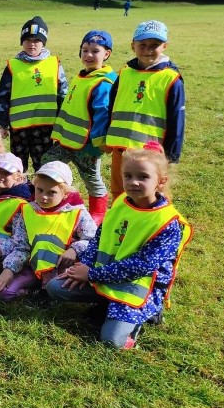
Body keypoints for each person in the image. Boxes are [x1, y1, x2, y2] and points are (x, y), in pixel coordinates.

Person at [47, 144, 192, 350]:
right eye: (128, 176)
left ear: (161, 181)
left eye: (143, 177)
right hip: (103, 276)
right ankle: (106, 303)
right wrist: (83, 267)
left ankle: (149, 311)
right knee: (55, 287)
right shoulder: (122, 201)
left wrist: (91, 274)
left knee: (112, 342)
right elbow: (100, 238)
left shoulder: (168, 222)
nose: (133, 182)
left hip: (135, 289)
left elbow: (140, 266)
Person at [0, 161, 95, 301]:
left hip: (64, 270)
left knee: (44, 242)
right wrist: (9, 269)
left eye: (51, 192)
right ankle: (32, 286)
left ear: (65, 193)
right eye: (39, 190)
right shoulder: (27, 211)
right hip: (31, 265)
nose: (43, 197)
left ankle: (46, 292)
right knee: (3, 292)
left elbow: (93, 240)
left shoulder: (77, 213)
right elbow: (21, 244)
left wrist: (74, 249)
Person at [104, 20, 185, 200]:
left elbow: (177, 119)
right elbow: (112, 105)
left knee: (151, 194)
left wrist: (171, 155)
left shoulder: (171, 79)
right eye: (142, 44)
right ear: (133, 45)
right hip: (121, 147)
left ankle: (154, 225)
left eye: (154, 45)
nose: (148, 49)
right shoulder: (125, 72)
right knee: (120, 191)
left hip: (150, 152)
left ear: (164, 46)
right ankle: (120, 223)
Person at [44, 30, 116, 224]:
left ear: (106, 54)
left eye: (95, 51)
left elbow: (103, 113)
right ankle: (51, 201)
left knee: (91, 178)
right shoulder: (83, 75)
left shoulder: (104, 82)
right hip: (67, 140)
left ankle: (98, 213)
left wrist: (100, 142)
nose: (89, 55)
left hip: (87, 145)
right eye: (85, 50)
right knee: (47, 164)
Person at [0, 15, 69, 172]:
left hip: (46, 127)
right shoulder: (13, 66)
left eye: (36, 40)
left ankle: (40, 195)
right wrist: (1, 124)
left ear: (44, 42)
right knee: (17, 167)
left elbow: (63, 95)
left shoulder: (54, 64)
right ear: (22, 42)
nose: (32, 44)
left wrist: (63, 124)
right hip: (19, 128)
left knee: (43, 167)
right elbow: (3, 97)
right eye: (27, 40)